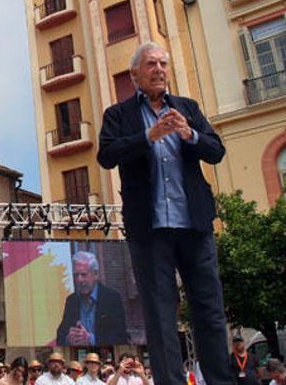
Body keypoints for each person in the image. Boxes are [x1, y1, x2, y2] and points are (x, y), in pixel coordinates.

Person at [97, 42, 233, 385]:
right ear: (135, 74)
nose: (159, 69)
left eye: (163, 63)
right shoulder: (119, 114)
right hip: (150, 228)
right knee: (159, 317)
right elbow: (107, 155)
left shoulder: (188, 108)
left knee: (211, 311)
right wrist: (148, 135)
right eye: (151, 64)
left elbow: (216, 151)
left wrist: (190, 134)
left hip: (195, 225)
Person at [56, 250, 130, 347]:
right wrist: (68, 339)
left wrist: (91, 339)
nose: (79, 280)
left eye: (83, 275)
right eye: (76, 275)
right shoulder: (71, 300)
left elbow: (121, 338)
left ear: (95, 274)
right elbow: (60, 335)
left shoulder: (112, 298)